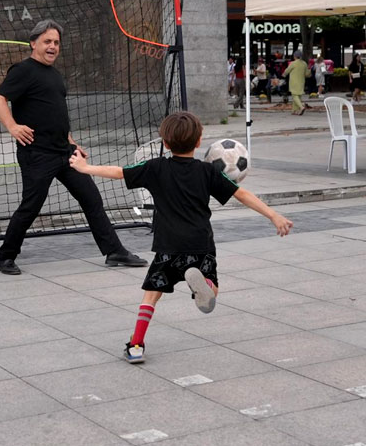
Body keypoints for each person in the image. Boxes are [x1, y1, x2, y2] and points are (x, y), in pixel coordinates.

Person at [69, 111, 293, 364]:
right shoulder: (208, 171)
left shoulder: (155, 168)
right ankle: (206, 288)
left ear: (165, 143)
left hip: (169, 246)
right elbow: (241, 194)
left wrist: (85, 168)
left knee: (152, 294)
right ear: (199, 142)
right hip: (200, 244)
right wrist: (273, 216)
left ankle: (136, 345)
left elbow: (119, 172)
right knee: (212, 285)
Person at [0, 19, 147, 275]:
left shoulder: (55, 76)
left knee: (92, 198)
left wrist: (73, 143)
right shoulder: (22, 70)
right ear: (33, 43)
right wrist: (12, 126)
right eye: (47, 41)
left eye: (56, 42)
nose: (52, 46)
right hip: (37, 153)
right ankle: (5, 257)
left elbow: (56, 115)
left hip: (64, 153)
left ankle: (114, 251)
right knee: (31, 205)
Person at [283, 50, 310, 115]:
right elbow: (307, 74)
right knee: (299, 96)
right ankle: (295, 110)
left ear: (294, 56)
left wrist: (283, 75)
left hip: (294, 82)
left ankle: (301, 107)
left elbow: (287, 71)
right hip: (301, 81)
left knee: (294, 95)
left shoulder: (293, 63)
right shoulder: (304, 63)